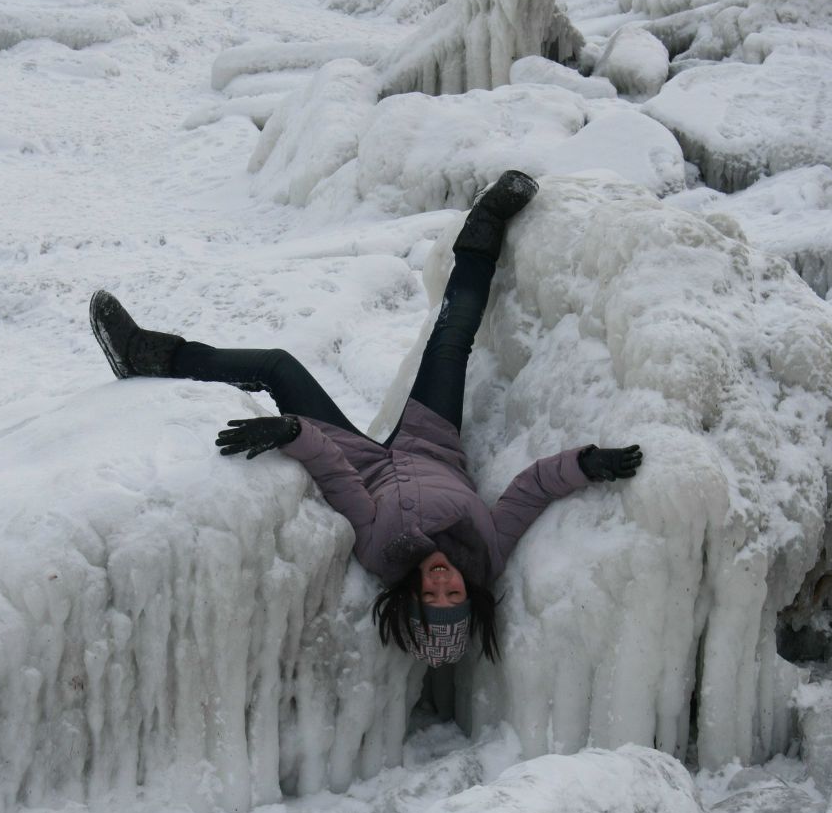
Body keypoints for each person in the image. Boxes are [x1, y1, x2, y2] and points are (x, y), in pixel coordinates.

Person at [89, 171, 642, 668]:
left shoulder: (383, 551)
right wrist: (586, 464)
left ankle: (149, 356)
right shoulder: (486, 553)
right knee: (450, 340)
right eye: (454, 595)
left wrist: (291, 431)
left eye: (432, 597)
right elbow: (529, 491)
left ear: (412, 596)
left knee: (279, 367)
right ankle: (487, 223)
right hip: (433, 442)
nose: (443, 583)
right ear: (470, 593)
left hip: (363, 458)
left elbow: (338, 477)